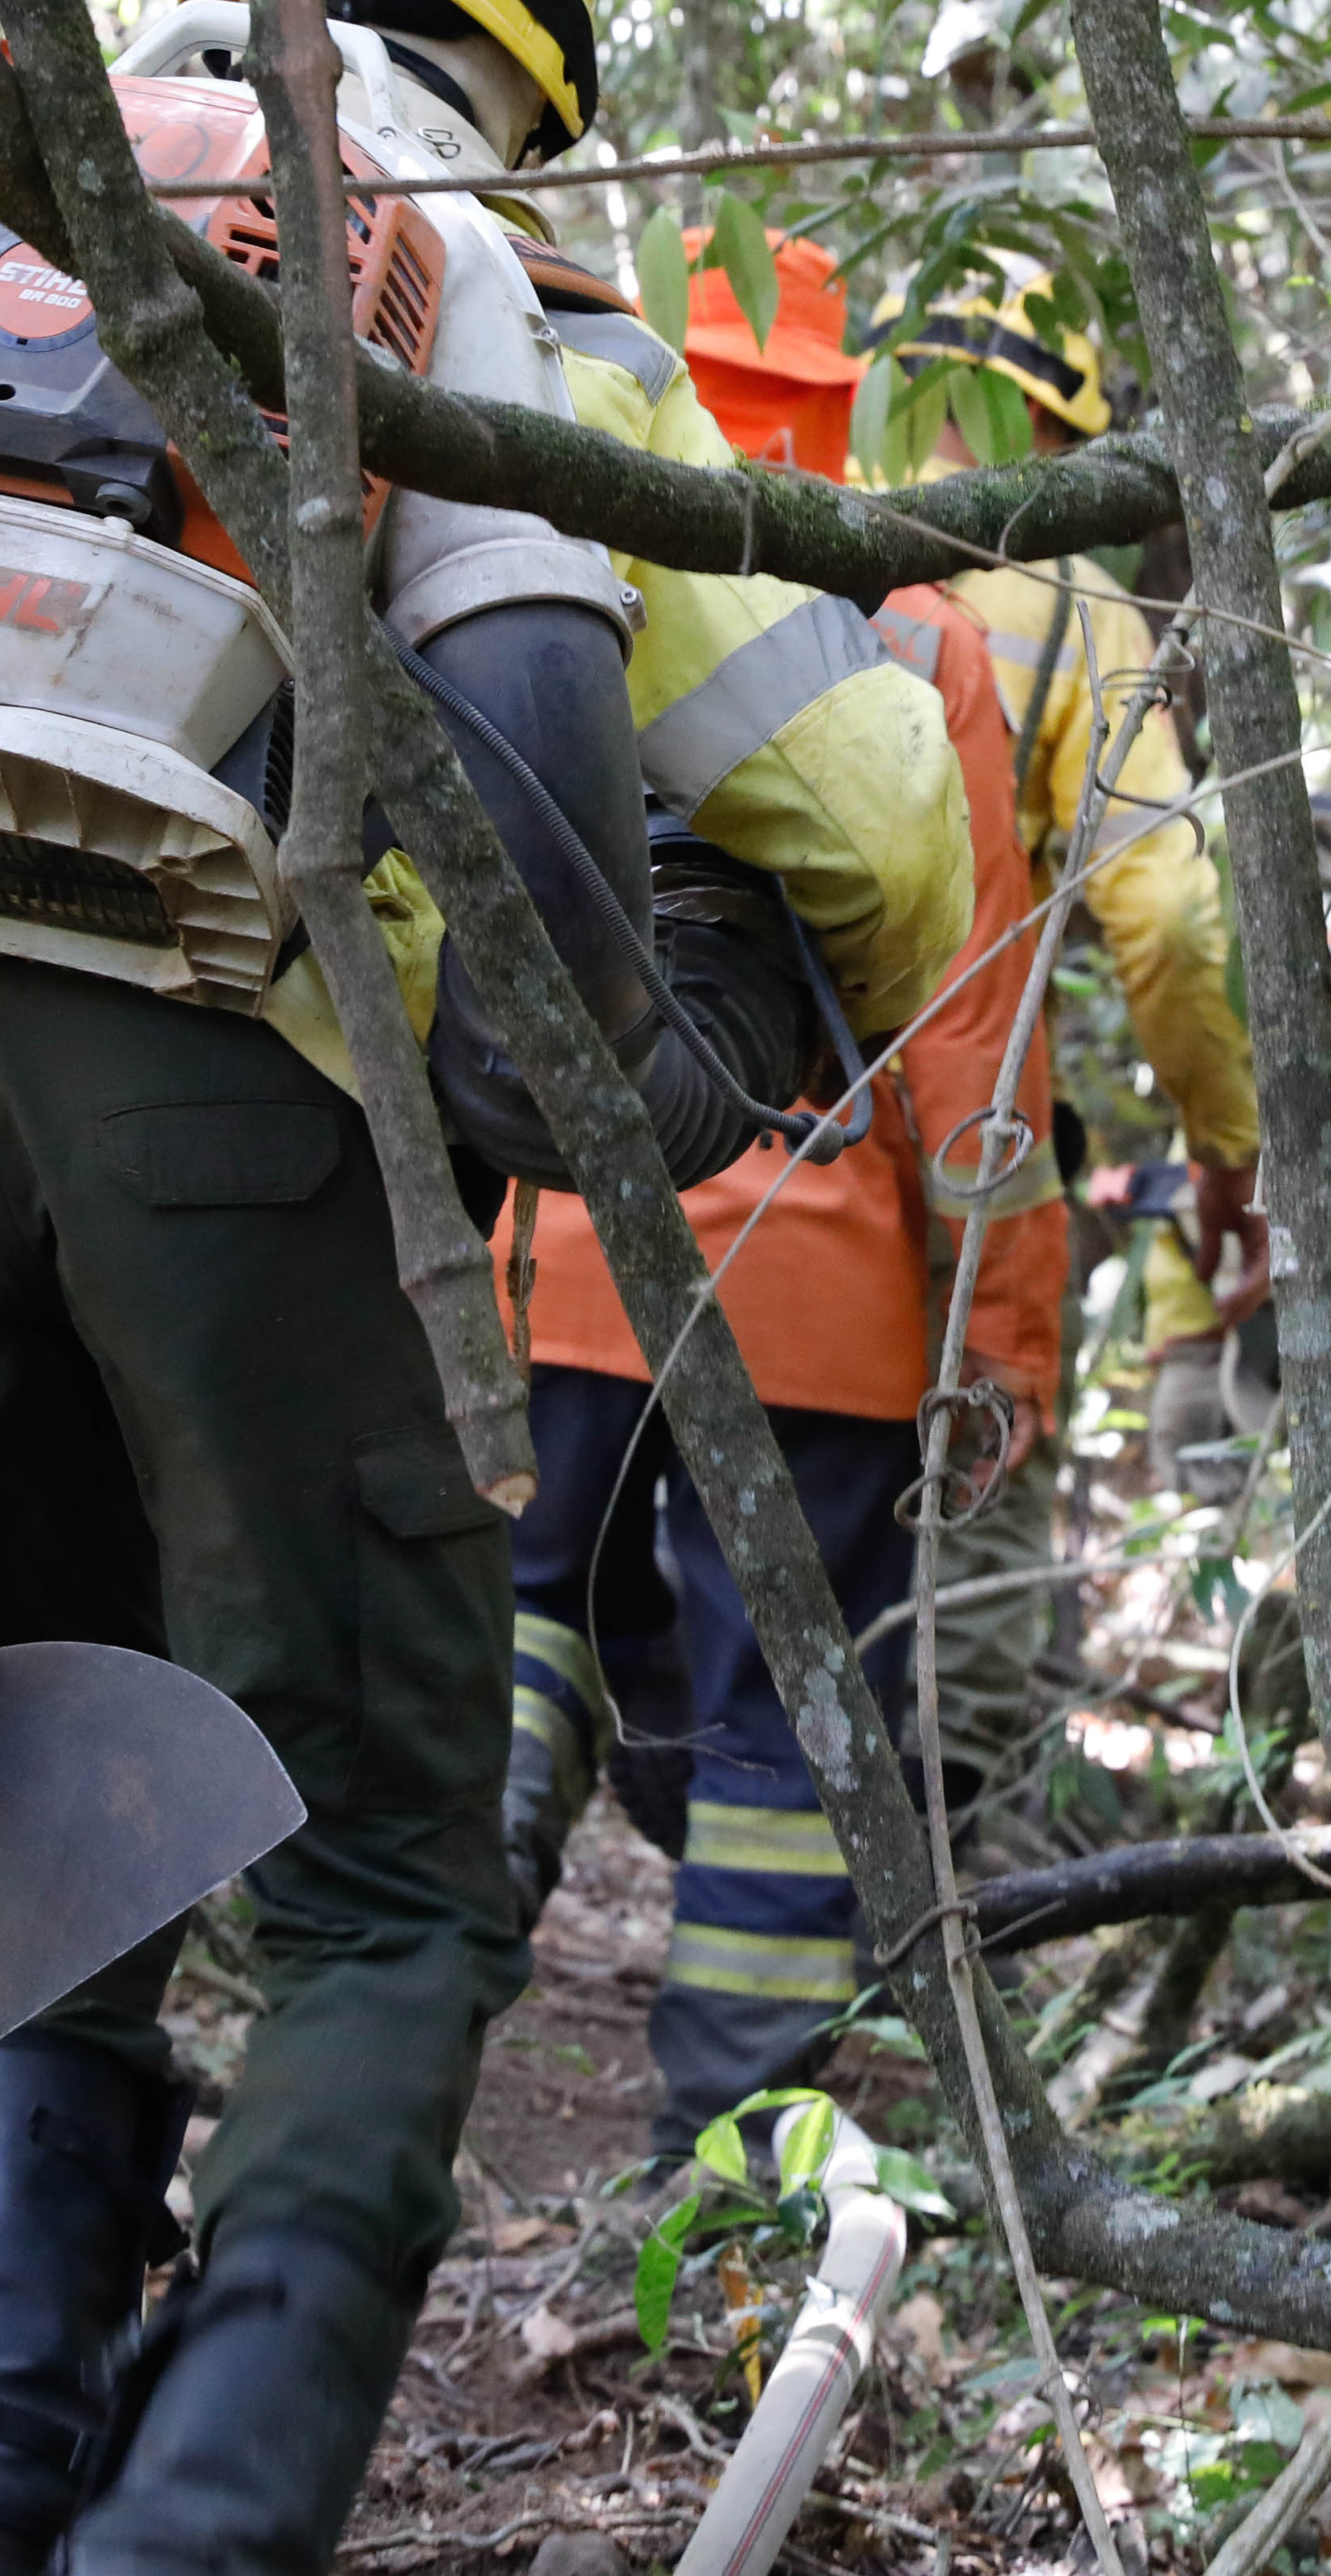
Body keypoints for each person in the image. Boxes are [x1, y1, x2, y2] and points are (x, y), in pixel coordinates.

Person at [0, 0, 971, 2576]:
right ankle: (198, 2526)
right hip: (253, 1096)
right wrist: (699, 1034)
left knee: (7, 1782)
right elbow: (877, 822)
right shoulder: (485, 286)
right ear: (531, 78)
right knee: (392, 1887)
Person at [498, 236, 1070, 2147]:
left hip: (563, 1248)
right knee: (783, 1700)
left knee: (524, 1621)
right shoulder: (915, 636)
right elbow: (970, 1035)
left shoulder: (536, 549)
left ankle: (414, 1993)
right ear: (844, 414)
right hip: (820, 1289)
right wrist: (1002, 1333)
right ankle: (731, 2143)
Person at [864, 258, 1264, 1845]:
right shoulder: (1077, 604)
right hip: (961, 1118)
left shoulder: (774, 501)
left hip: (723, 1104)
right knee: (977, 1452)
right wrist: (1227, 1146)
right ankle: (951, 1858)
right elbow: (1165, 911)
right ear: (1061, 420)